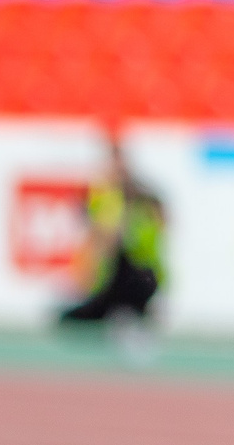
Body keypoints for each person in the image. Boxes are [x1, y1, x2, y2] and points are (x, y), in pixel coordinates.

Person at [58, 127, 168, 363]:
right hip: (108, 276)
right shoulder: (102, 193)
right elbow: (94, 234)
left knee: (130, 283)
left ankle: (132, 317)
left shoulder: (140, 194)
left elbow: (155, 223)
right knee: (72, 318)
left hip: (136, 273)